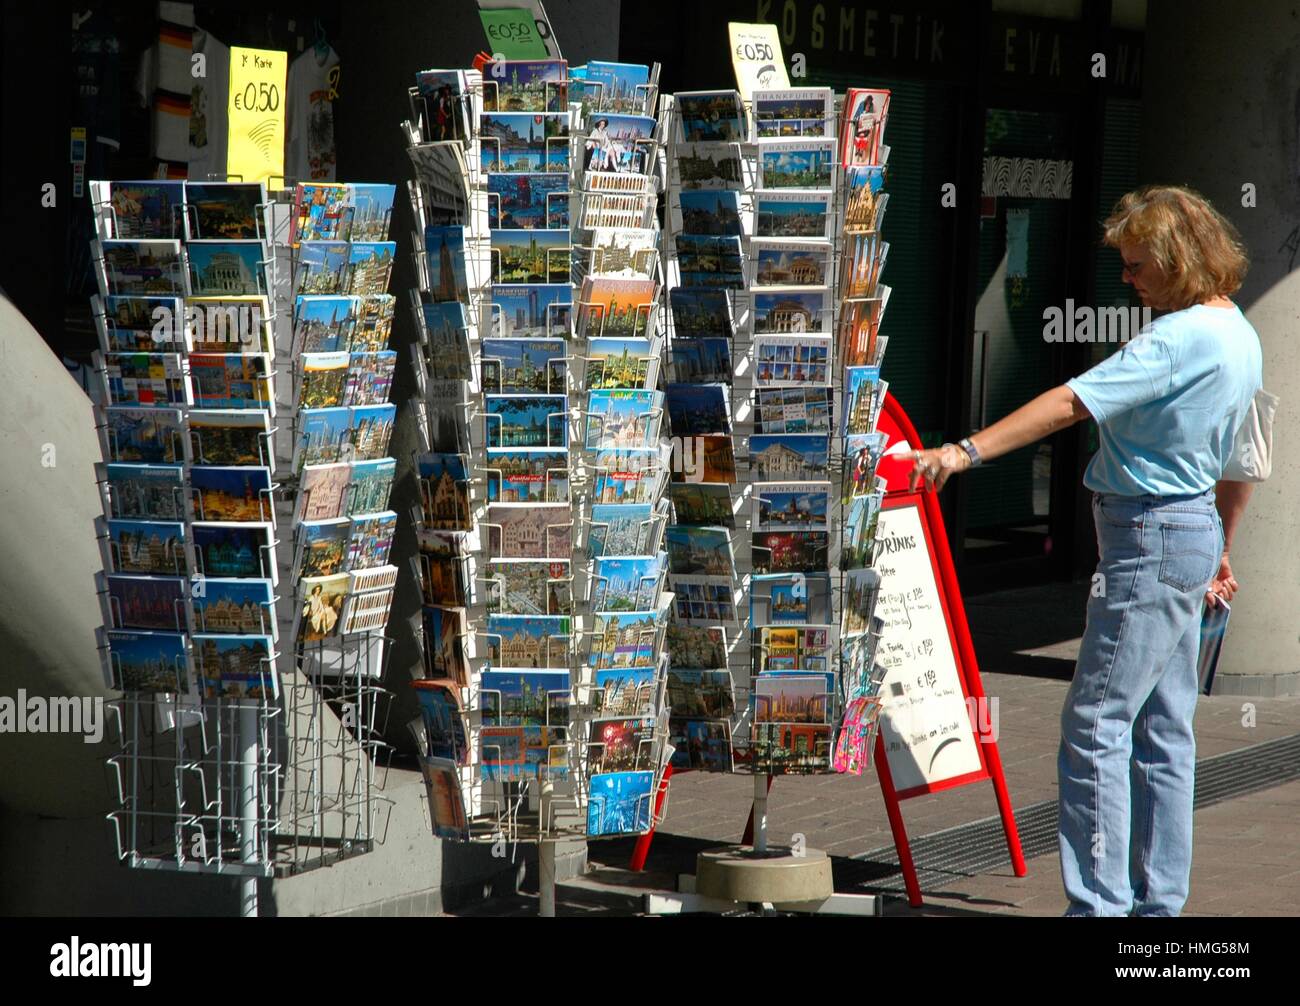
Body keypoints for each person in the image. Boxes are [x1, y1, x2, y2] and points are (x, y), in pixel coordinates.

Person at [909, 185, 1262, 916]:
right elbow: (1241, 458)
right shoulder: (1237, 332)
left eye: (1137, 266)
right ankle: (1156, 906)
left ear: (1178, 260)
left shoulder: (1178, 337)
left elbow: (1072, 401)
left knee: (1097, 722)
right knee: (1164, 729)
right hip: (1188, 528)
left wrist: (967, 451)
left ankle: (1097, 907)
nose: (1127, 280)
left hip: (1149, 534)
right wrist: (1219, 546)